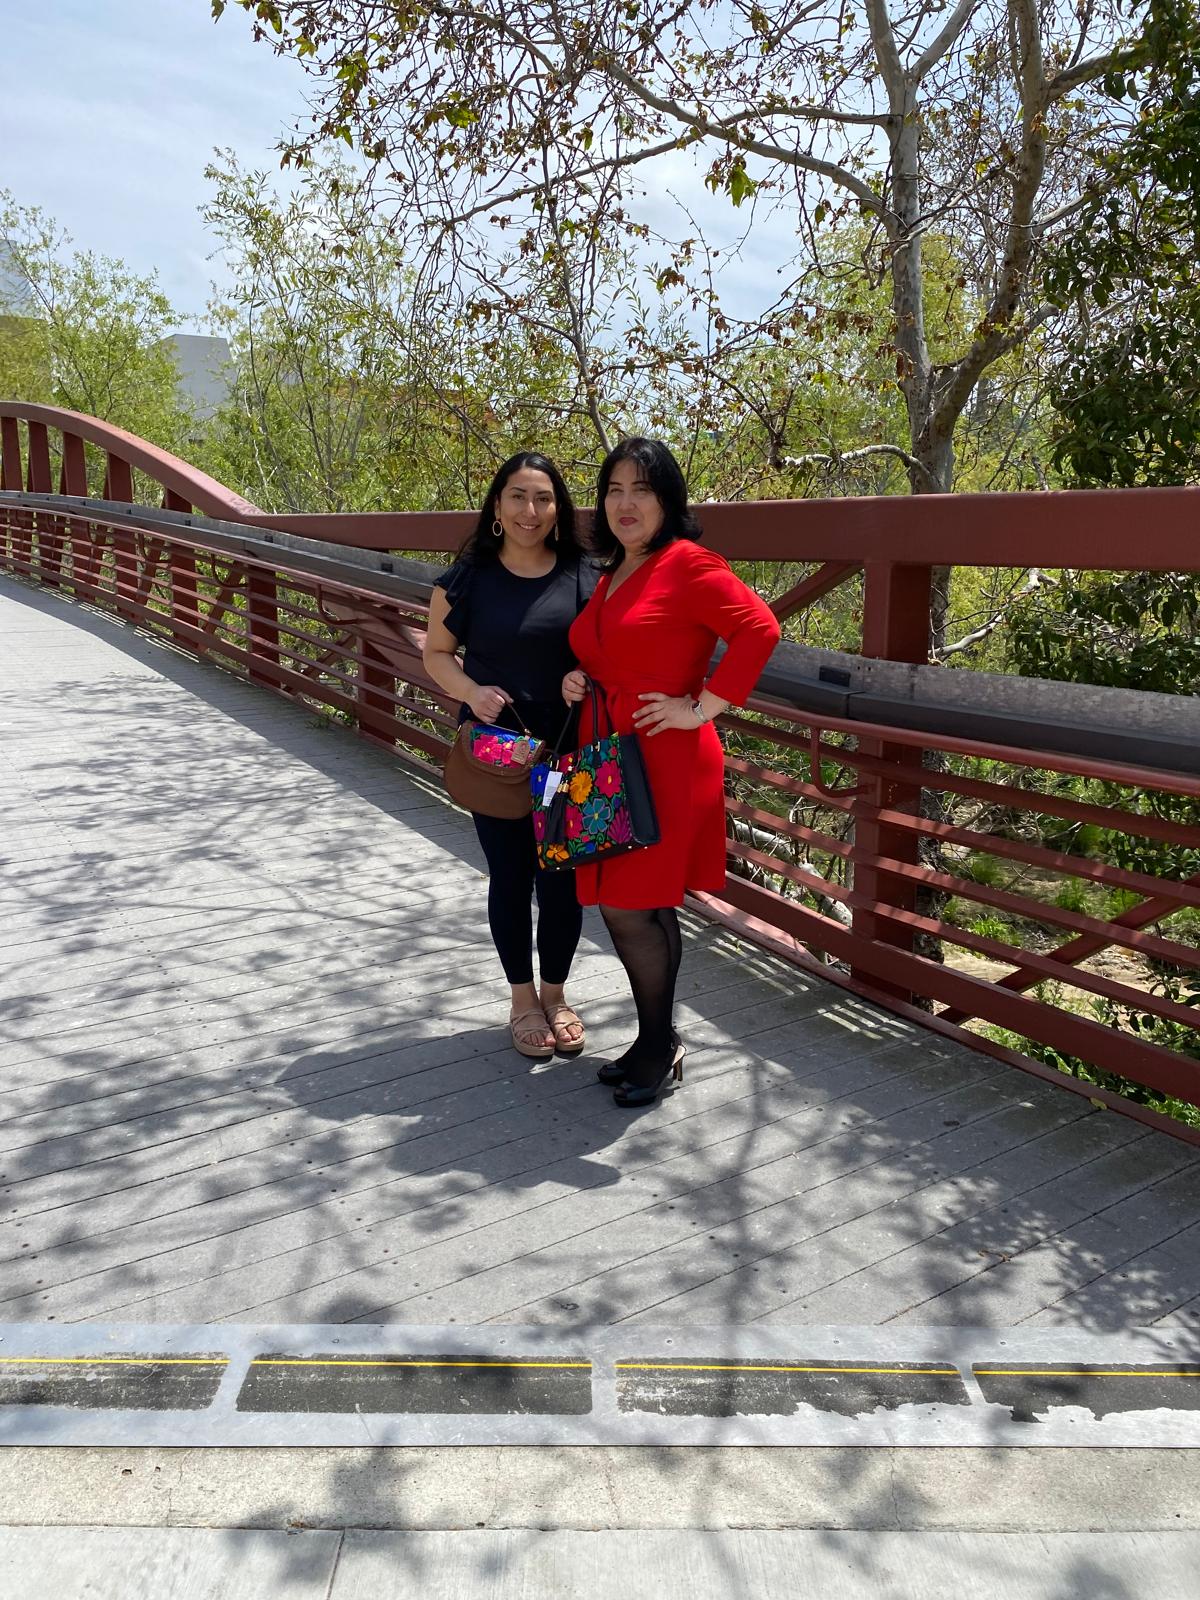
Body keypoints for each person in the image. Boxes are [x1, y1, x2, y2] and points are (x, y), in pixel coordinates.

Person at [563, 438, 781, 1107]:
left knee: (630, 906)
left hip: (664, 756)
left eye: (643, 490)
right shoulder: (616, 569)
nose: (626, 504)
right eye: (614, 490)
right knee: (642, 904)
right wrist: (581, 676)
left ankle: (658, 1043)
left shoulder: (688, 564)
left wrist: (704, 708)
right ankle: (655, 1040)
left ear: (669, 500)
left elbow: (759, 629)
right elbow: (615, 650)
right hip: (610, 757)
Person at [424, 452, 597, 1060]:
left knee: (563, 883)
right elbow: (438, 653)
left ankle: (556, 996)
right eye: (518, 497)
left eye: (544, 499)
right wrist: (471, 691)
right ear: (497, 507)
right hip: (497, 755)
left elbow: (605, 652)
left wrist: (582, 676)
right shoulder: (469, 578)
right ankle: (523, 1002)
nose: (531, 511)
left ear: (559, 509)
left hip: (566, 758)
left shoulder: (584, 575)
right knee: (511, 876)